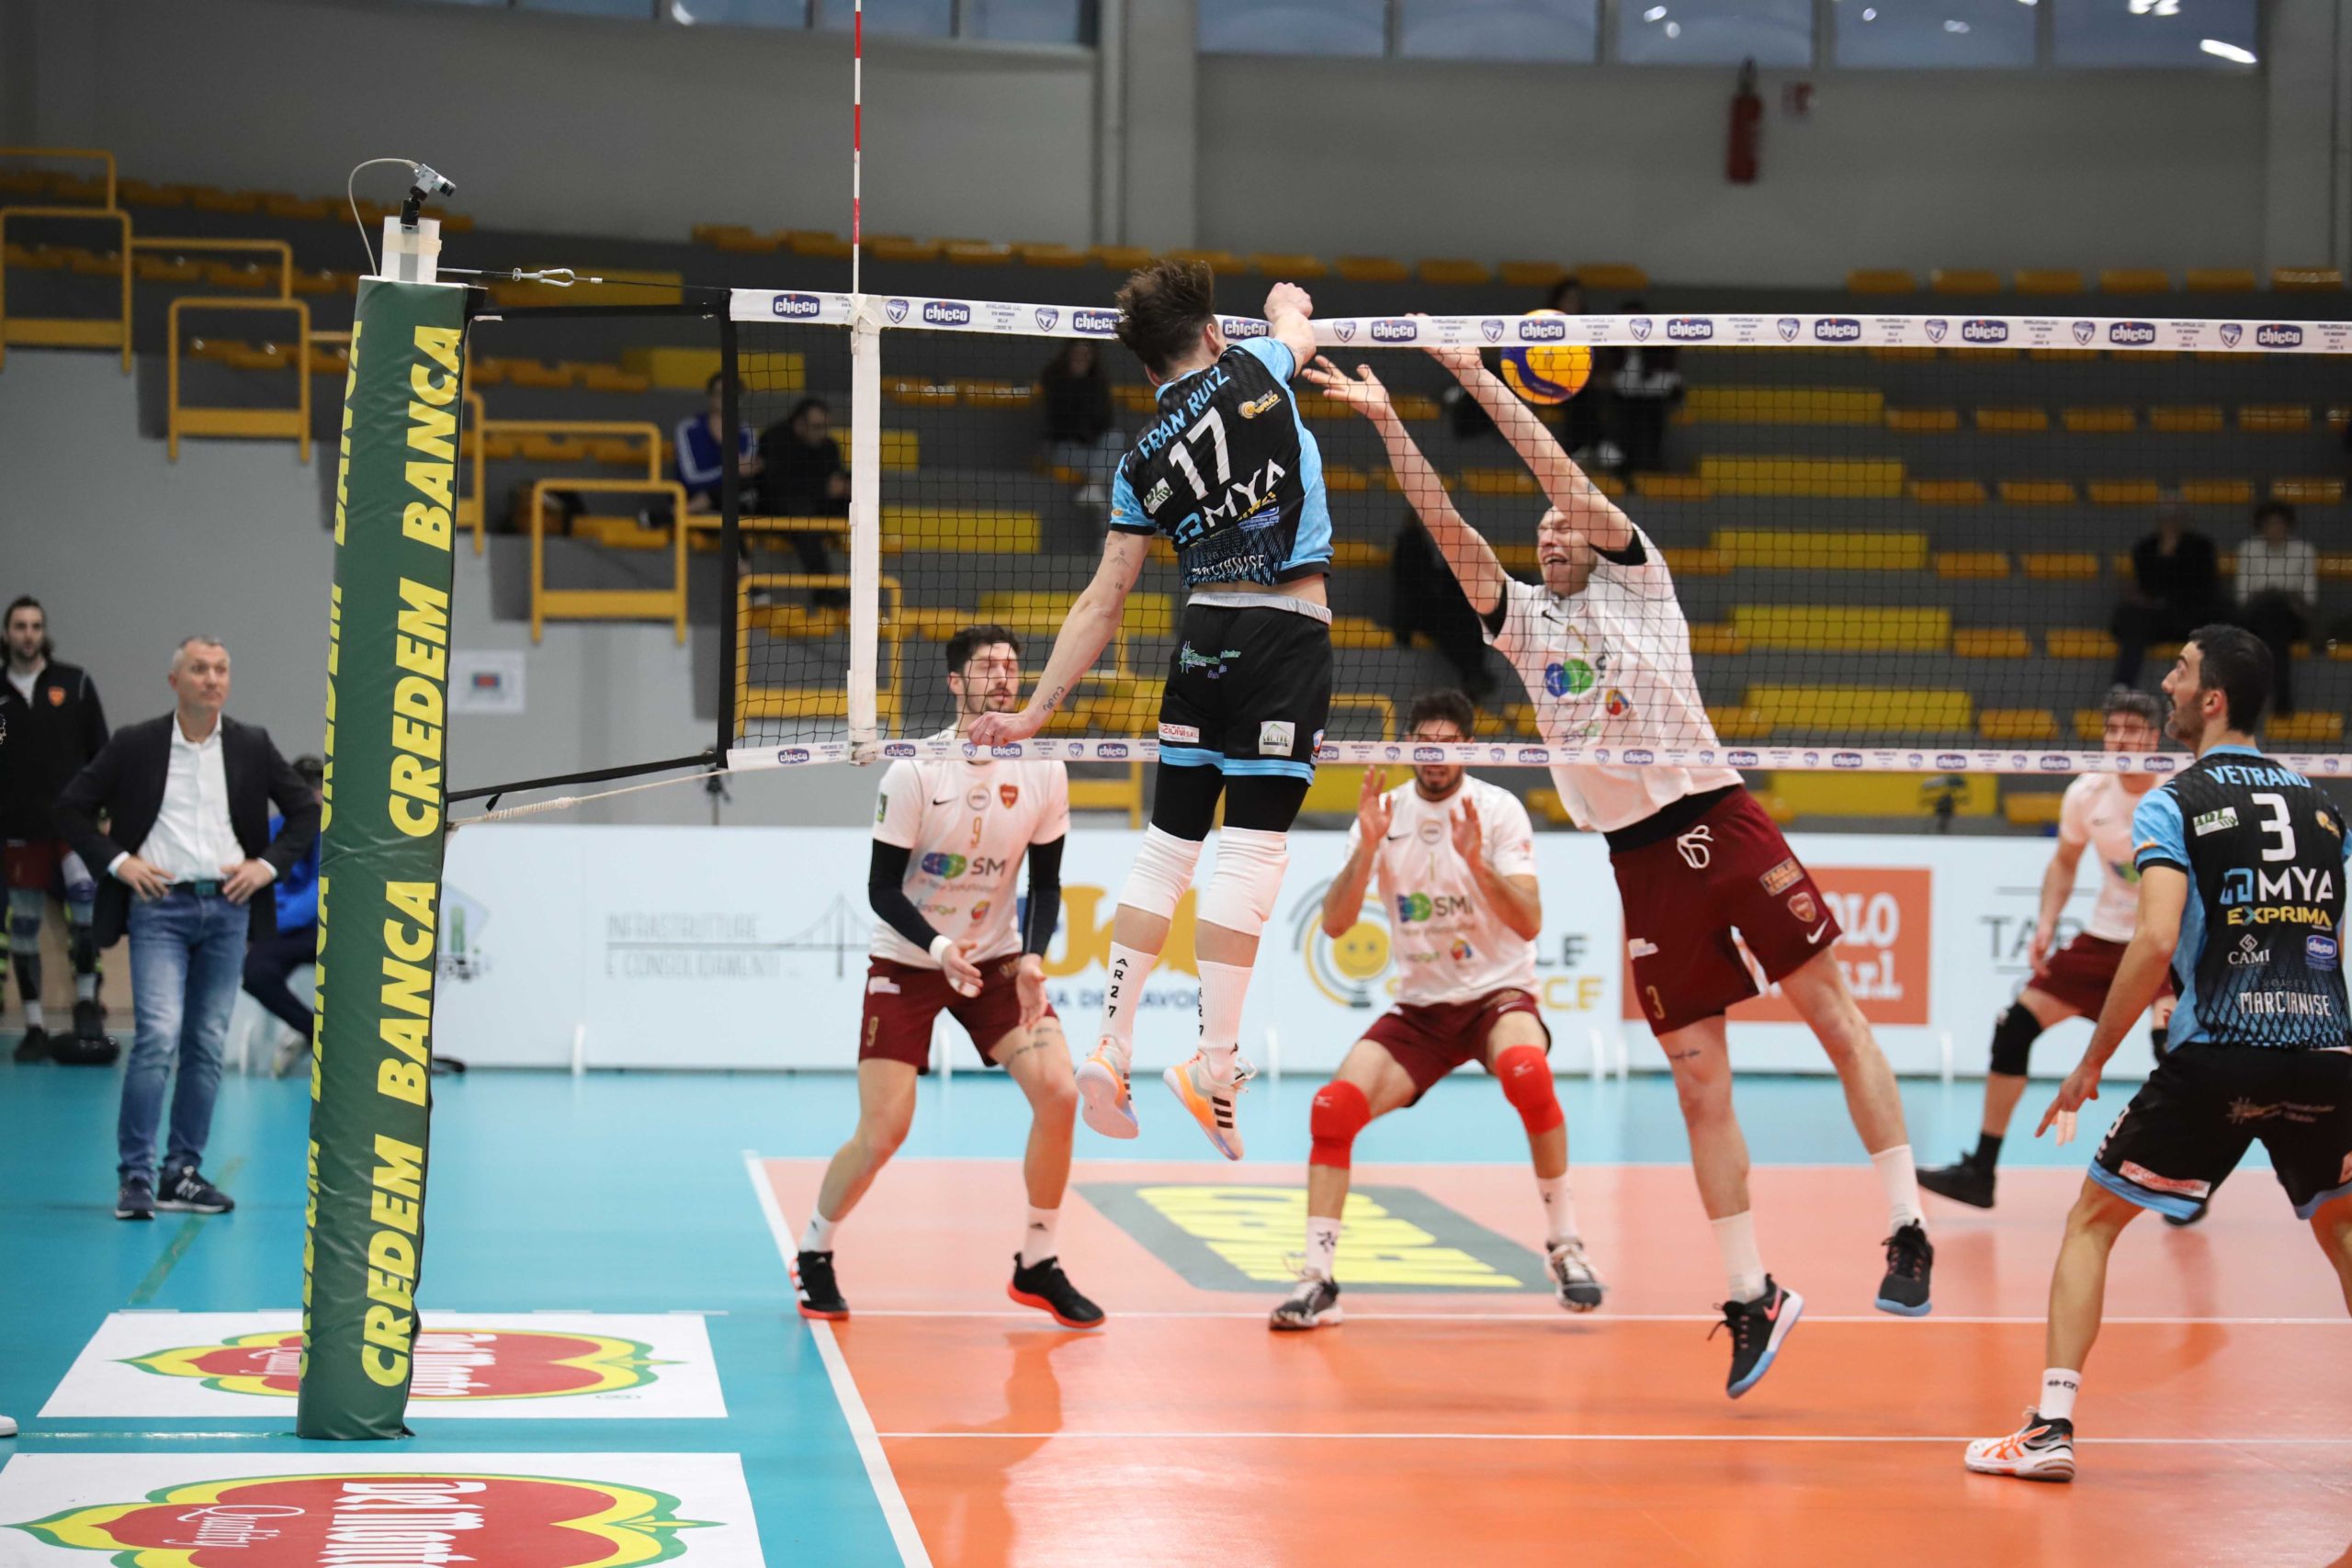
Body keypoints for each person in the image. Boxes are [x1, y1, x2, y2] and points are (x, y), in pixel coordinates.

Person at [1308, 341, 1934, 1399]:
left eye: (1562, 522)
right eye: (1541, 530)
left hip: (1722, 821)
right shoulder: (1522, 626)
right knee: (1697, 1083)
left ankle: (1907, 1225)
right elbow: (1449, 525)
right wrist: (1385, 421)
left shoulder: (1640, 580)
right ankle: (1750, 1293)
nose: (1550, 531)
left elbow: (1556, 472)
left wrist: (1476, 376)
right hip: (1639, 864)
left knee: (1833, 1016)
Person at [1965, 626, 2352, 1483]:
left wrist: (2091, 1061)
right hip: (2327, 1049)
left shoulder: (2171, 802)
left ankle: (2050, 1427)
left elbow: (2155, 938)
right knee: (2344, 1225)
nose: (2167, 683)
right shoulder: (2325, 807)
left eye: (2180, 670)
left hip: (2221, 1051)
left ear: (2212, 699)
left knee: (2091, 1222)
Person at [967, 262, 1330, 1163]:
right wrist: (1284, 308)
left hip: (1201, 637)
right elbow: (1296, 326)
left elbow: (1105, 599)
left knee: (1169, 849)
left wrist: (1035, 713)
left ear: (1142, 369)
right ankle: (1213, 1064)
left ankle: (1111, 1046)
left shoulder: (1137, 463)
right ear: (1212, 332)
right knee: (1251, 852)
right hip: (1283, 633)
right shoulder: (1252, 367)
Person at [794, 625, 1100, 1328]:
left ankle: (1037, 1259)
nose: (1003, 675)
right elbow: (881, 889)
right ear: (956, 682)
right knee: (884, 1131)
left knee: (1060, 1093)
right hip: (910, 959)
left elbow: (1047, 884)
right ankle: (814, 1247)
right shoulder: (915, 772)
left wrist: (1032, 957)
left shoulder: (1044, 769)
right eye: (987, 666)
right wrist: (936, 947)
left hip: (994, 962)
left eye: (1012, 665)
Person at [1271, 690, 1604, 1331]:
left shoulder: (1498, 810)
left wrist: (1476, 863)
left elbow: (1530, 922)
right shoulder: (1384, 813)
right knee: (1333, 1109)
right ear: (1409, 747)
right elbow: (1335, 925)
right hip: (1421, 1009)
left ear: (1467, 749)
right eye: (1425, 744)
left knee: (1528, 1072)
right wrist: (1367, 848)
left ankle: (1566, 1247)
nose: (1435, 756)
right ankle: (1317, 1278)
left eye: (1448, 745)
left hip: (1496, 997)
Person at [53, 637, 317, 1222]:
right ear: (175, 680)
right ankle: (136, 1176)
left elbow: (306, 810)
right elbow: (71, 807)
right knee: (157, 1037)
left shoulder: (251, 744)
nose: (212, 679)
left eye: (221, 669)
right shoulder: (136, 743)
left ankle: (182, 1173)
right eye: (199, 669)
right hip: (159, 908)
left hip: (228, 908)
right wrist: (120, 863)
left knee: (205, 1043)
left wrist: (266, 867)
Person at [1919, 693, 2174, 1212]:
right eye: (2113, 730)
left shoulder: (2179, 789)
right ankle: (1980, 1171)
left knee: (2170, 1048)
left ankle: (2180, 1174)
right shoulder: (2087, 793)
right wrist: (2046, 923)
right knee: (2013, 1028)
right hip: (2105, 936)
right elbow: (2064, 862)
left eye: (2133, 731)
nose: (2122, 740)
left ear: (2155, 737)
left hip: (2168, 939)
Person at [0, 595, 110, 1064]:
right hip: (18, 829)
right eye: (19, 626)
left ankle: (86, 1006)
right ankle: (34, 1027)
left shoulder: (74, 682)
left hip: (73, 825)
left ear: (44, 632)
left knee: (85, 911)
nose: (28, 634)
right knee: (23, 926)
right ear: (7, 634)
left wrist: (103, 812)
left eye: (35, 626)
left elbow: (101, 751)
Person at [243, 753, 323, 1077]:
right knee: (255, 974)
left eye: (317, 787)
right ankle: (316, 1033)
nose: (313, 793)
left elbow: (323, 889)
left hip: (323, 930)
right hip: (282, 930)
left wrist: (282, 918)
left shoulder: (334, 833)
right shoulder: (270, 830)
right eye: (306, 787)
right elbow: (261, 884)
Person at [1387, 514, 1496, 707]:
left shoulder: (1453, 551)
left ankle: (1473, 675)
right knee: (1453, 626)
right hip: (1418, 612)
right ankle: (1472, 674)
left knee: (1471, 623)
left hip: (1443, 609)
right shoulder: (1410, 544)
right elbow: (1410, 587)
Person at [2108, 505, 2219, 692]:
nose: (2171, 523)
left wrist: (2175, 555)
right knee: (2132, 621)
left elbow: (2202, 584)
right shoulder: (2146, 548)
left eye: (2175, 518)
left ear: (2184, 520)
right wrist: (2164, 556)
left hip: (2191, 615)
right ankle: (2122, 687)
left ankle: (2202, 690)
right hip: (2155, 618)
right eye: (2166, 518)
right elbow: (2147, 585)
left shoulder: (2201, 547)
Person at [752, 395, 849, 607]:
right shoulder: (776, 438)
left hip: (816, 507)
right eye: (817, 427)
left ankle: (864, 584)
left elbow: (834, 480)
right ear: (799, 423)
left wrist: (844, 485)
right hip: (776, 510)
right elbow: (776, 486)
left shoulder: (829, 446)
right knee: (802, 515)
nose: (823, 433)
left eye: (826, 427)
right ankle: (825, 591)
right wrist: (823, 488)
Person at [2232, 502, 2318, 716]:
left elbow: (2309, 598)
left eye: (2279, 524)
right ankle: (2281, 701)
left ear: (2289, 526)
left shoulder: (2304, 551)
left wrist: (2279, 595)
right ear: (2261, 526)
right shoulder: (2248, 549)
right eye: (2270, 524)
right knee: (2270, 616)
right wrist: (2273, 594)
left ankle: (2259, 699)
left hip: (2291, 619)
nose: (2275, 529)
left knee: (2275, 616)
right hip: (2255, 617)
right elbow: (2242, 597)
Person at [1036, 340, 1123, 513]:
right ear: (1068, 354)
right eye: (1077, 354)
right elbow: (1058, 422)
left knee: (1115, 438)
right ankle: (1095, 488)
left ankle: (1094, 489)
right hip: (1063, 449)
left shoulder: (1098, 383)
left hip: (1092, 451)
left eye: (1086, 355)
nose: (1081, 359)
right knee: (1113, 474)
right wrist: (1077, 381)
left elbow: (1105, 421)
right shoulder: (1054, 378)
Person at [1600, 299, 1682, 477]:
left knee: (1649, 410)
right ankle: (1619, 461)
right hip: (1620, 400)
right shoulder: (1609, 347)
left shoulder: (1659, 347)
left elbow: (1671, 381)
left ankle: (1650, 463)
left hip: (1651, 401)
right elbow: (1607, 381)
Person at [674, 371, 761, 514]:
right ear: (710, 396)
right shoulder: (687, 428)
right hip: (694, 496)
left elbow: (746, 473)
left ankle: (674, 514)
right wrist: (730, 471)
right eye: (720, 394)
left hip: (735, 501)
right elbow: (689, 478)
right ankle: (687, 509)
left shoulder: (748, 432)